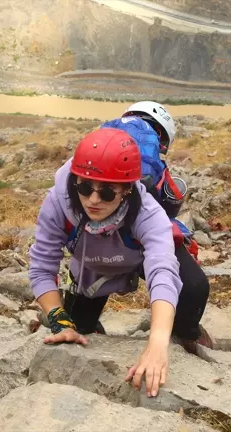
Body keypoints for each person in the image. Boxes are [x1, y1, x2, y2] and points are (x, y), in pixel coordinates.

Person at [28, 126, 212, 399]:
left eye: (106, 193)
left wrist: (158, 344)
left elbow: (162, 269)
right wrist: (58, 319)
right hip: (92, 266)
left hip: (137, 254)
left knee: (193, 287)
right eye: (85, 187)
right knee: (77, 328)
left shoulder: (148, 212)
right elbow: (43, 266)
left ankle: (187, 333)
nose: (92, 199)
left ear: (127, 189)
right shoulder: (58, 202)